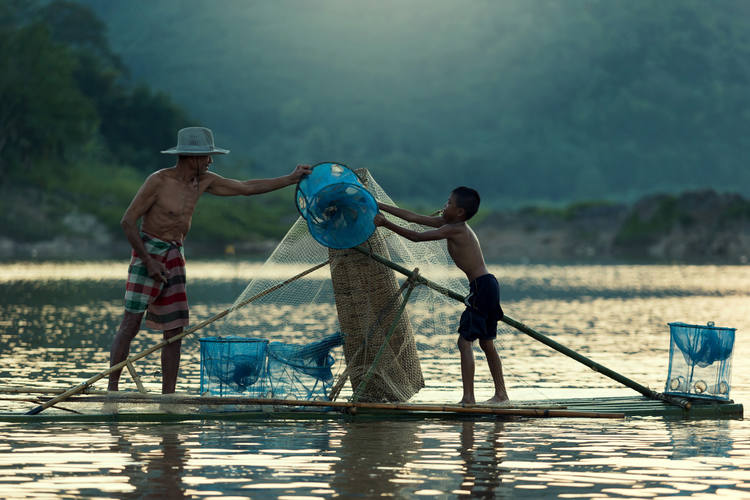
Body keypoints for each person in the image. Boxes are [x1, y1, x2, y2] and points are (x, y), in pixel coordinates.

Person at [108, 126, 311, 394]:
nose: (210, 161)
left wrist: (290, 179)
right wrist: (148, 261)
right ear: (192, 157)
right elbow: (128, 222)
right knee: (130, 324)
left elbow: (246, 188)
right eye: (207, 157)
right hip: (148, 253)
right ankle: (111, 390)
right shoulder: (158, 181)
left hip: (174, 254)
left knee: (175, 331)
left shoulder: (204, 181)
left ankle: (168, 397)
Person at [373, 186, 509, 405]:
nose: (444, 206)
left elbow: (416, 237)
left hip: (482, 287)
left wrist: (385, 223)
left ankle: (469, 399)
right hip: (486, 286)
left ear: (460, 213)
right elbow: (413, 218)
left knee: (465, 343)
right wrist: (379, 205)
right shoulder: (450, 225)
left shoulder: (456, 230)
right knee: (486, 343)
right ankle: (501, 395)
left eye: (448, 203)